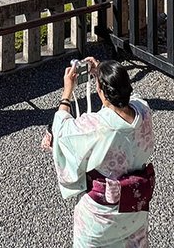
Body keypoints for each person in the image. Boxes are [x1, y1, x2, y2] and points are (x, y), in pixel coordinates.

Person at [45, 59, 155, 247]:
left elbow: (62, 133)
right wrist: (102, 72)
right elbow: (133, 97)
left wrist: (67, 93)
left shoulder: (98, 125)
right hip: (135, 206)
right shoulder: (143, 111)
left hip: (101, 215)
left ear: (103, 94)